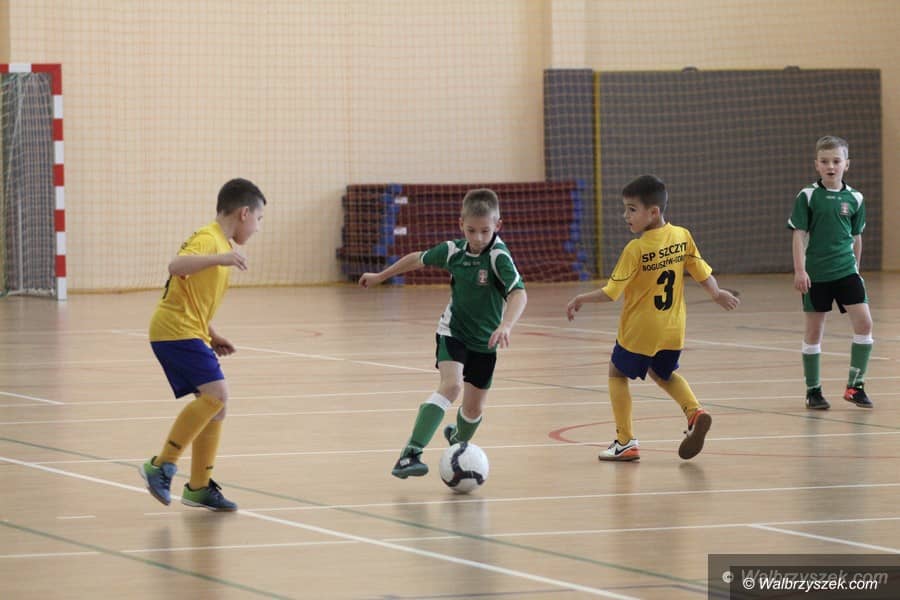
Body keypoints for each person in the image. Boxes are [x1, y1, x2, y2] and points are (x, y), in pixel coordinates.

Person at [566, 175, 739, 462]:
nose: (625, 216)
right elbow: (701, 272)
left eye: (632, 209)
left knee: (616, 372)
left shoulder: (636, 249)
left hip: (640, 329)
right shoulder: (682, 236)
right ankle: (694, 412)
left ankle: (625, 441)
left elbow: (611, 293)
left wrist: (580, 298)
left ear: (653, 212)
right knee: (662, 373)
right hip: (673, 327)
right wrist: (717, 293)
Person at [359, 188, 527, 478]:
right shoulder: (452, 251)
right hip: (453, 331)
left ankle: (458, 440)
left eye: (485, 231)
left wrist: (506, 325)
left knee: (473, 411)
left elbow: (519, 294)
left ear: (498, 226)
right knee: (452, 386)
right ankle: (410, 454)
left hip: (485, 342)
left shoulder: (499, 257)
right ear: (461, 224)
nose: (478, 238)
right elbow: (417, 258)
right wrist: (380, 276)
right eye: (471, 230)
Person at [139, 178, 266, 510]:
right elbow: (175, 266)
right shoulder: (209, 240)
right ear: (244, 213)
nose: (258, 227)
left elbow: (190, 295)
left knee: (216, 406)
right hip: (175, 330)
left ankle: (198, 487)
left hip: (188, 330)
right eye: (258, 219)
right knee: (217, 395)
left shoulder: (218, 243)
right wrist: (219, 259)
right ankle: (160, 465)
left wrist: (212, 334)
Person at [788, 136, 873, 410]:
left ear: (847, 164)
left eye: (836, 161)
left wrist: (856, 269)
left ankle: (855, 386)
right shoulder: (808, 196)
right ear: (817, 165)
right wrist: (800, 270)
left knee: (865, 324)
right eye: (825, 161)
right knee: (814, 331)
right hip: (816, 274)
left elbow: (856, 237)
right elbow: (799, 234)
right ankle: (813, 391)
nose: (831, 166)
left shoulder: (855, 198)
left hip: (846, 271)